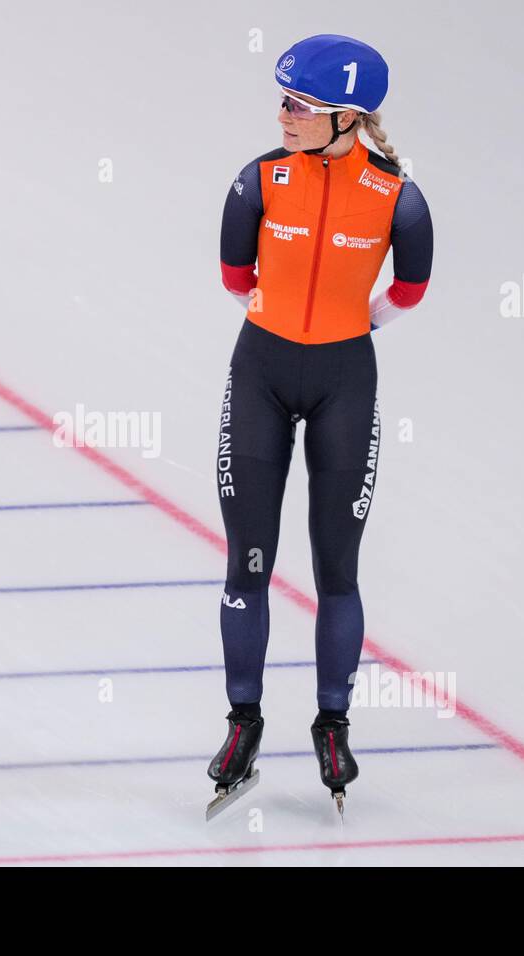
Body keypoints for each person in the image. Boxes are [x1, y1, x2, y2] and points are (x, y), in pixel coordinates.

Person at [207, 34, 434, 816]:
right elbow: (236, 276)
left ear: (347, 116)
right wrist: (290, 326)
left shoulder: (398, 197)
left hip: (344, 383)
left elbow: (410, 289)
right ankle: (244, 722)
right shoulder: (258, 180)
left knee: (337, 567)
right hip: (261, 375)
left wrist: (342, 327)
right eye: (282, 101)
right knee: (250, 560)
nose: (283, 114)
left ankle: (333, 723)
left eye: (298, 104)